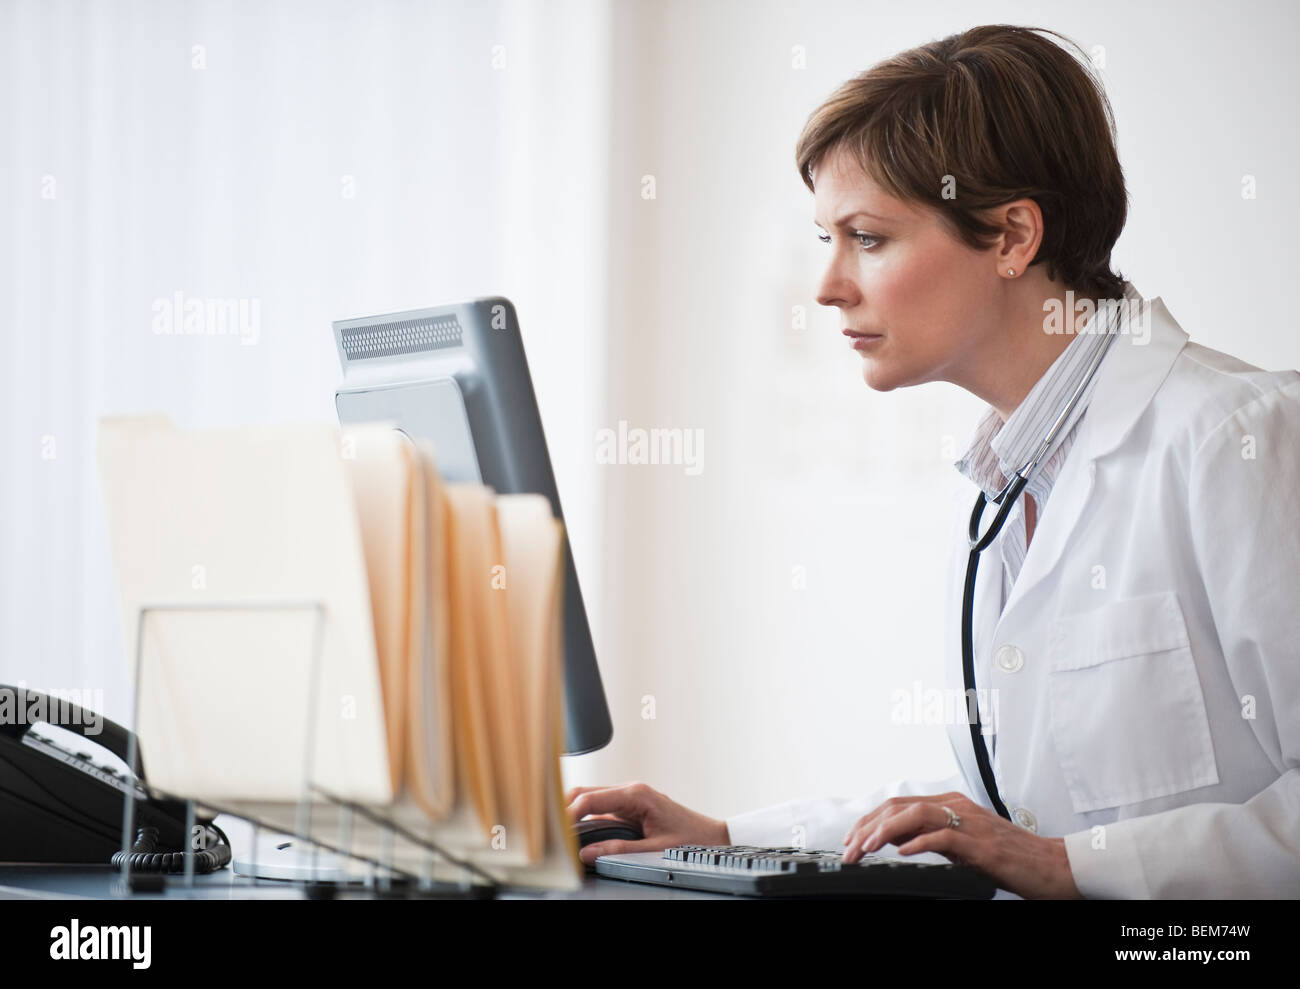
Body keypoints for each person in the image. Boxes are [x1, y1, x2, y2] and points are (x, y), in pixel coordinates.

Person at [567, 24, 1300, 899]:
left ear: (1011, 237)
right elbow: (1001, 812)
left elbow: (1044, 850)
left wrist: (1069, 868)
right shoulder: (1013, 472)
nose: (828, 285)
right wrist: (729, 836)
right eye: (825, 240)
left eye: (867, 238)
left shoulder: (1238, 437)